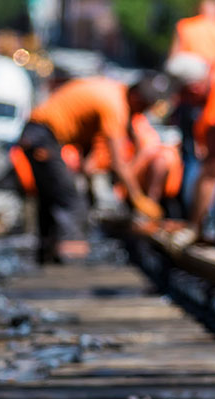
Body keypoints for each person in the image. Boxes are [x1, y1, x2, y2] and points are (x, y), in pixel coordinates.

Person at [18, 74, 169, 264]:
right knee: (71, 199)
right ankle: (70, 261)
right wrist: (137, 197)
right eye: (143, 108)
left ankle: (47, 254)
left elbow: (85, 128)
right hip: (42, 136)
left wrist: (86, 165)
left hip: (38, 134)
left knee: (53, 197)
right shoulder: (115, 105)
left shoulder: (112, 92)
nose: (141, 114)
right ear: (137, 98)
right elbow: (118, 162)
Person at [167, 0, 215, 212]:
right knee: (213, 164)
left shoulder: (185, 27)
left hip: (188, 102)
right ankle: (205, 217)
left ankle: (188, 212)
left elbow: (172, 64)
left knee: (190, 157)